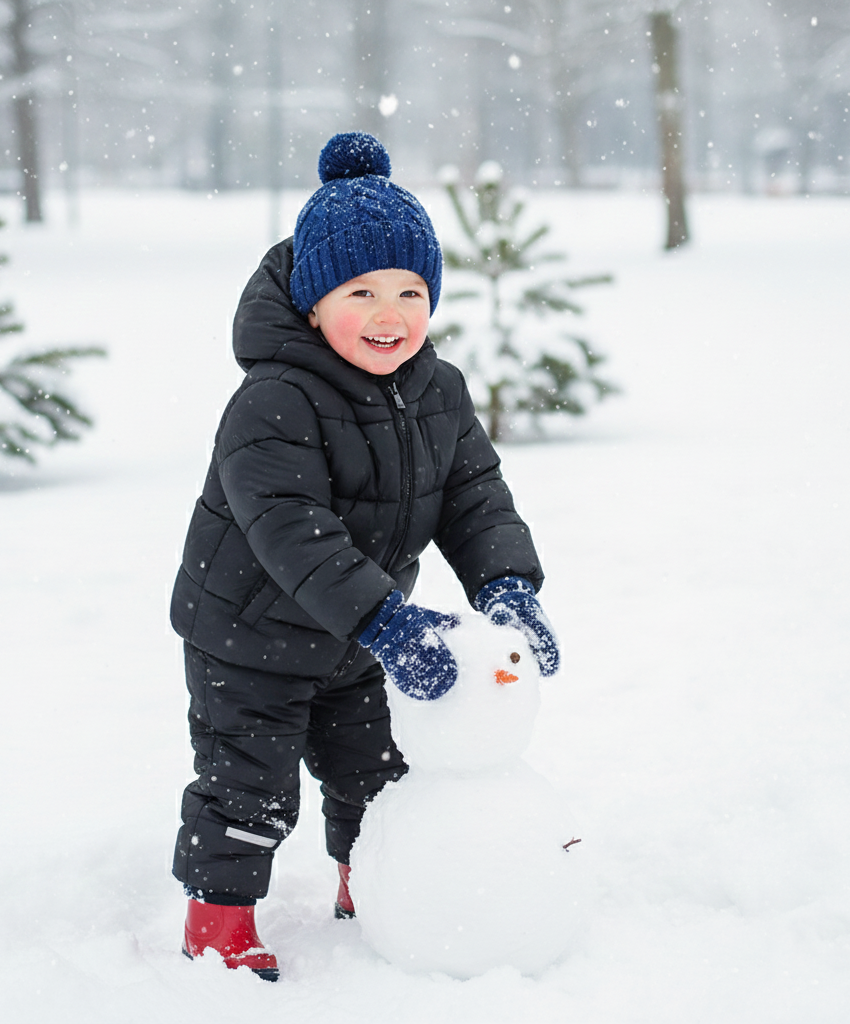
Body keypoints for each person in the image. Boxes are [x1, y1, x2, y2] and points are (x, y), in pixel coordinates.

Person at [169, 132, 559, 981]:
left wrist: (507, 587)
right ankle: (220, 919)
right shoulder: (273, 398)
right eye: (362, 291)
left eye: (412, 290)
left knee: (375, 773)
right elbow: (289, 528)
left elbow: (475, 495)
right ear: (313, 302)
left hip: (359, 633)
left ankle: (369, 877)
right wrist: (385, 618)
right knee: (250, 782)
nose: (392, 315)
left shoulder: (438, 387)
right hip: (250, 635)